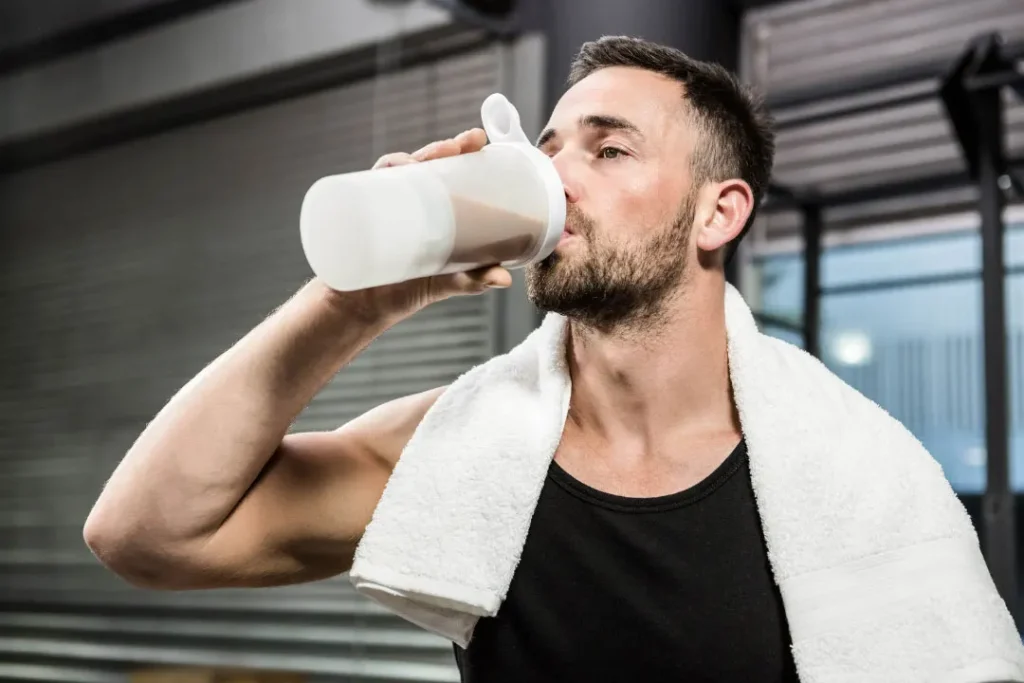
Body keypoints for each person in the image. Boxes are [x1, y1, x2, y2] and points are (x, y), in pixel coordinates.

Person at [85, 36, 797, 680]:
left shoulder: (836, 472)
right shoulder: (466, 445)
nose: (559, 180)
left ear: (719, 213)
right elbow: (144, 535)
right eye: (548, 153)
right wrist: (353, 301)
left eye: (609, 150)